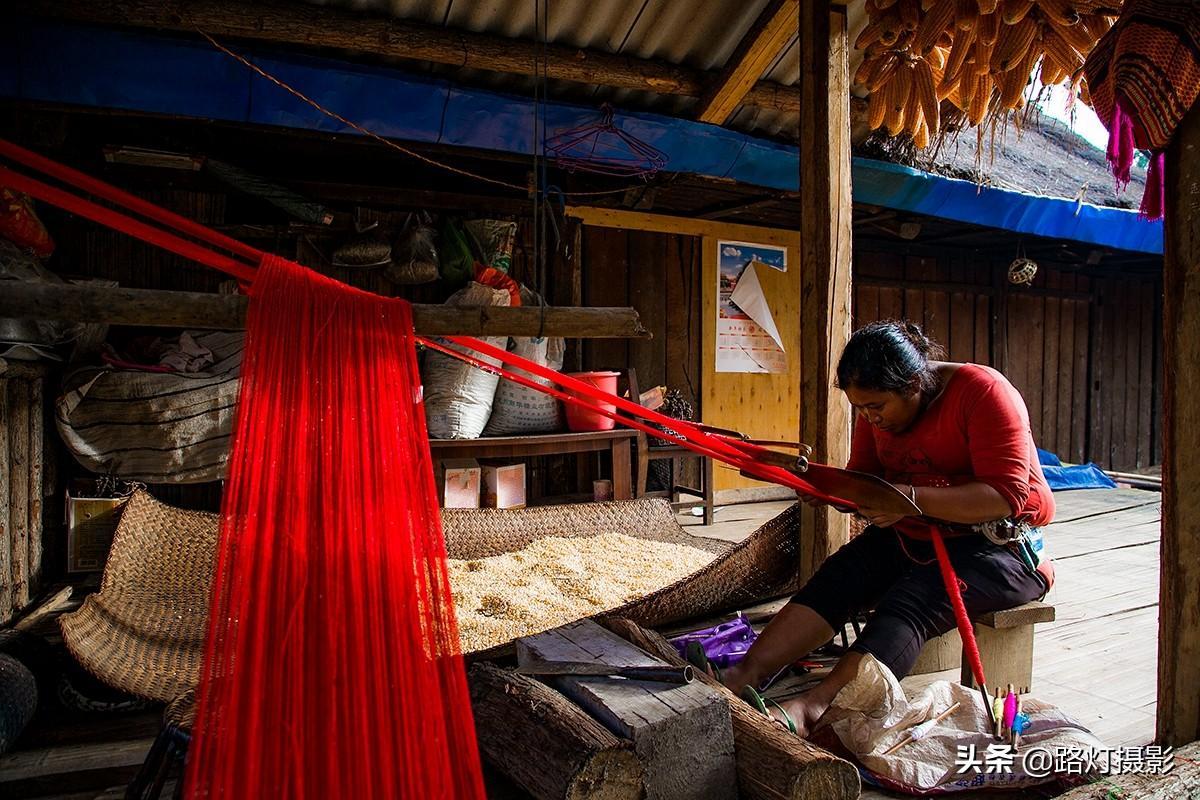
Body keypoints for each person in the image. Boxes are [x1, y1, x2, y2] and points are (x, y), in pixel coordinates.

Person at [721, 320, 1055, 737]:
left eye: (876, 407)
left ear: (915, 383)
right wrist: (822, 488)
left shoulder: (983, 392)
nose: (869, 418)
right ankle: (746, 673)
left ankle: (813, 708)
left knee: (909, 603)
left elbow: (1005, 496)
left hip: (998, 548)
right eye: (859, 409)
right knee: (839, 578)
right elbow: (864, 478)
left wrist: (904, 498)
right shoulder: (878, 413)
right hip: (914, 533)